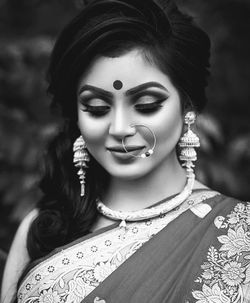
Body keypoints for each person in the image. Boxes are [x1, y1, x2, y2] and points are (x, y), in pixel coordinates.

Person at [1, 0, 250, 302]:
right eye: (97, 108)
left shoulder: (238, 233)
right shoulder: (45, 227)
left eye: (146, 106)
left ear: (187, 106)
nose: (119, 128)